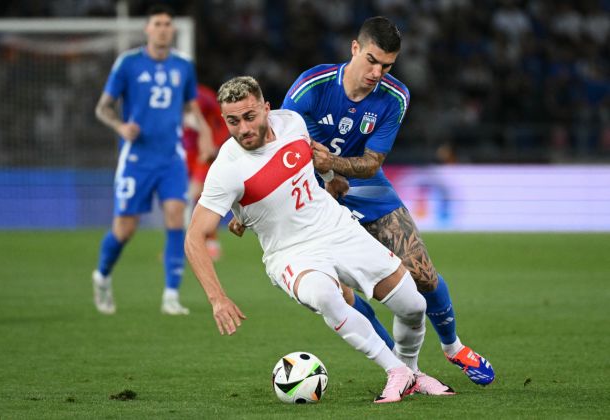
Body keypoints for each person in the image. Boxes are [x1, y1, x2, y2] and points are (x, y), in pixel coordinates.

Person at [185, 76, 453, 403]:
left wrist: (330, 180)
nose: (243, 129)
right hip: (291, 254)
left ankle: (411, 372)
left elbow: (312, 156)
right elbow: (194, 237)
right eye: (232, 121)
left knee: (412, 305)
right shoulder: (227, 168)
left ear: (267, 109)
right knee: (326, 296)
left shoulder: (293, 122)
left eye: (249, 116)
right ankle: (394, 370)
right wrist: (217, 298)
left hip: (336, 227)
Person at [278, 16, 494, 385]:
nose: (377, 72)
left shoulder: (395, 97)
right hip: (311, 193)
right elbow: (280, 144)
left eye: (387, 65)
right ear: (354, 48)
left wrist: (333, 165)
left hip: (364, 185)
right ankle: (403, 369)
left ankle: (453, 346)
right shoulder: (311, 86)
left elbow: (372, 162)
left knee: (423, 274)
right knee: (338, 294)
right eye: (372, 60)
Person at [92, 4, 211, 315]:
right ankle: (102, 275)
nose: (163, 28)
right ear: (147, 29)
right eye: (157, 23)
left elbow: (189, 106)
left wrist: (207, 133)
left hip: (171, 157)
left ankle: (171, 295)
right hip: (137, 158)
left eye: (167, 24)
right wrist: (120, 126)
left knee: (176, 216)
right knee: (125, 228)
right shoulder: (128, 63)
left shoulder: (183, 66)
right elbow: (103, 107)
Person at [182, 84, 230, 261]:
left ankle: (202, 244)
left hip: (202, 156)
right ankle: (204, 244)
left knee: (195, 197)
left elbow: (223, 120)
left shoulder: (203, 96)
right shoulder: (170, 97)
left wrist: (215, 146)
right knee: (189, 199)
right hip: (184, 156)